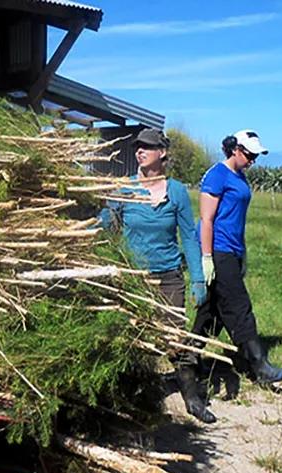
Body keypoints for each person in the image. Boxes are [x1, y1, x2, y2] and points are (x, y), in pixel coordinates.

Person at [99, 128, 214, 423]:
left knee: (175, 338)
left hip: (168, 277)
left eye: (147, 147)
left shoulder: (175, 191)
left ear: (162, 152)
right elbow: (107, 223)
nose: (140, 150)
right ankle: (125, 395)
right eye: (138, 147)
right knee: (128, 337)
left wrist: (198, 277)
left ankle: (191, 397)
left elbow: (188, 236)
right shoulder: (124, 188)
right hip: (133, 278)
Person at [192, 129, 282, 387]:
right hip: (219, 249)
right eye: (249, 154)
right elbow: (206, 219)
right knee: (240, 306)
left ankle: (189, 358)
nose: (252, 160)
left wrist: (243, 252)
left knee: (211, 310)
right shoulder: (217, 175)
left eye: (255, 156)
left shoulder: (240, 177)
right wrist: (206, 257)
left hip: (234, 250)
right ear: (235, 149)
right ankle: (260, 367)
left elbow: (237, 219)